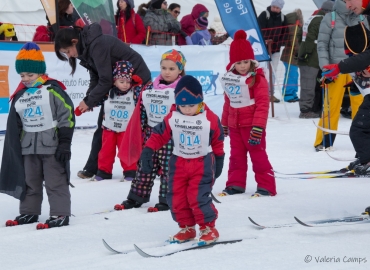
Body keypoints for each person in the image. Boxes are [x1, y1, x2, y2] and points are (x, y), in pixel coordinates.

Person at [54, 23, 151, 179]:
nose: (69, 55)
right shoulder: (86, 48)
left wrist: (90, 101)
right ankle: (96, 167)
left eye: (67, 51)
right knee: (106, 124)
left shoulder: (97, 45)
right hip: (118, 83)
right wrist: (89, 99)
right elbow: (96, 77)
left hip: (136, 81)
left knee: (135, 126)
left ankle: (142, 167)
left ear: (74, 41)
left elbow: (105, 80)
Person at [139, 75, 224, 244]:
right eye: (182, 105)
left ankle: (208, 228)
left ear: (200, 101)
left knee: (197, 196)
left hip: (202, 164)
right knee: (176, 197)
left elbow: (218, 140)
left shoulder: (210, 118)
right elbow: (159, 135)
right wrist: (148, 150)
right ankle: (186, 227)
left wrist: (219, 158)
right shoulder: (173, 116)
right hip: (178, 163)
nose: (186, 109)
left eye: (191, 105)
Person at [0, 42, 75, 229]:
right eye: (22, 75)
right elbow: (15, 122)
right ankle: (29, 212)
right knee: (29, 182)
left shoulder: (53, 91)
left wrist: (65, 143)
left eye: (30, 75)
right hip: (28, 148)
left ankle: (60, 213)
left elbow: (67, 117)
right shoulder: (20, 95)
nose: (25, 79)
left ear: (41, 72)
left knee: (55, 181)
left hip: (52, 147)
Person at [114, 49, 186, 212]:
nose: (167, 72)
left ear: (180, 70)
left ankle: (167, 199)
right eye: (164, 68)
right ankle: (136, 196)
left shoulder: (183, 89)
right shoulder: (149, 88)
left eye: (172, 69)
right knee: (145, 166)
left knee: (169, 169)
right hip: (151, 135)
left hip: (171, 138)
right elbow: (142, 110)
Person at [219, 30, 277, 198]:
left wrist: (258, 127)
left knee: (258, 155)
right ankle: (235, 184)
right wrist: (224, 124)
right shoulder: (230, 79)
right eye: (239, 63)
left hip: (252, 126)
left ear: (251, 61)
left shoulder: (257, 79)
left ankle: (266, 186)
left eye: (245, 62)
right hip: (235, 125)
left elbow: (263, 104)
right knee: (236, 156)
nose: (243, 66)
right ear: (232, 64)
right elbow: (228, 102)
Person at [323, 0, 370, 176]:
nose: (348, 6)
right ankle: (365, 157)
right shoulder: (360, 16)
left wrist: (340, 67)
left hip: (348, 67)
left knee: (359, 129)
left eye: (348, 1)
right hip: (353, 71)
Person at [314, 0, 364, 151]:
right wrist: (325, 67)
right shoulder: (330, 18)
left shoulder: (361, 17)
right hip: (336, 70)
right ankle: (324, 141)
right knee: (331, 106)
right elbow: (322, 45)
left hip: (358, 69)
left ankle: (363, 143)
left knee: (362, 107)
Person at [93, 60, 142, 181]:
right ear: (114, 81)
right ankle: (104, 171)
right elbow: (96, 99)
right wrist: (88, 104)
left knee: (127, 150)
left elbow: (144, 94)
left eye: (128, 82)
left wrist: (138, 84)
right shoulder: (108, 92)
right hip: (109, 127)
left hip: (126, 128)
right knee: (106, 150)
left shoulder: (134, 92)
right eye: (121, 82)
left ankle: (130, 171)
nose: (125, 84)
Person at [297, 1, 334, 119]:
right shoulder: (321, 20)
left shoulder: (312, 17)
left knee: (311, 83)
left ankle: (312, 108)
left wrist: (302, 50)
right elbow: (310, 38)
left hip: (310, 57)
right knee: (309, 84)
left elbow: (299, 36)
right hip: (311, 58)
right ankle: (305, 110)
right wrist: (307, 52)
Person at [258, 0, 288, 103]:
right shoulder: (264, 15)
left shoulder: (283, 18)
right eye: (273, 6)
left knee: (273, 72)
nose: (275, 9)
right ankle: (261, 93)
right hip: (263, 49)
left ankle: (271, 93)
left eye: (277, 7)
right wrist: (265, 40)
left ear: (280, 8)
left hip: (275, 49)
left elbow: (285, 32)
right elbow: (259, 29)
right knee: (262, 71)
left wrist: (279, 43)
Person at [279, 9, 303, 102]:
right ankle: (288, 93)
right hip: (291, 55)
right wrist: (299, 50)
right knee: (291, 74)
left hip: (290, 55)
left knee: (294, 74)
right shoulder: (294, 27)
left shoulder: (292, 26)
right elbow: (295, 41)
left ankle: (293, 93)